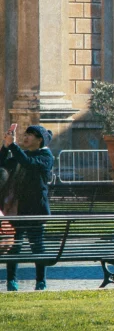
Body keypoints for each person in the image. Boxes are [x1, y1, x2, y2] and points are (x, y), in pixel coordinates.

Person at [1, 124, 54, 292]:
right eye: (25, 134)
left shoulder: (45, 156)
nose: (26, 137)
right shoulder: (21, 155)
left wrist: (13, 146)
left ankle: (41, 282)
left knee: (36, 246)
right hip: (17, 208)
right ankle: (12, 282)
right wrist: (5, 145)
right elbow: (2, 162)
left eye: (31, 135)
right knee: (14, 247)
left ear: (40, 140)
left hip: (35, 209)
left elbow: (29, 164)